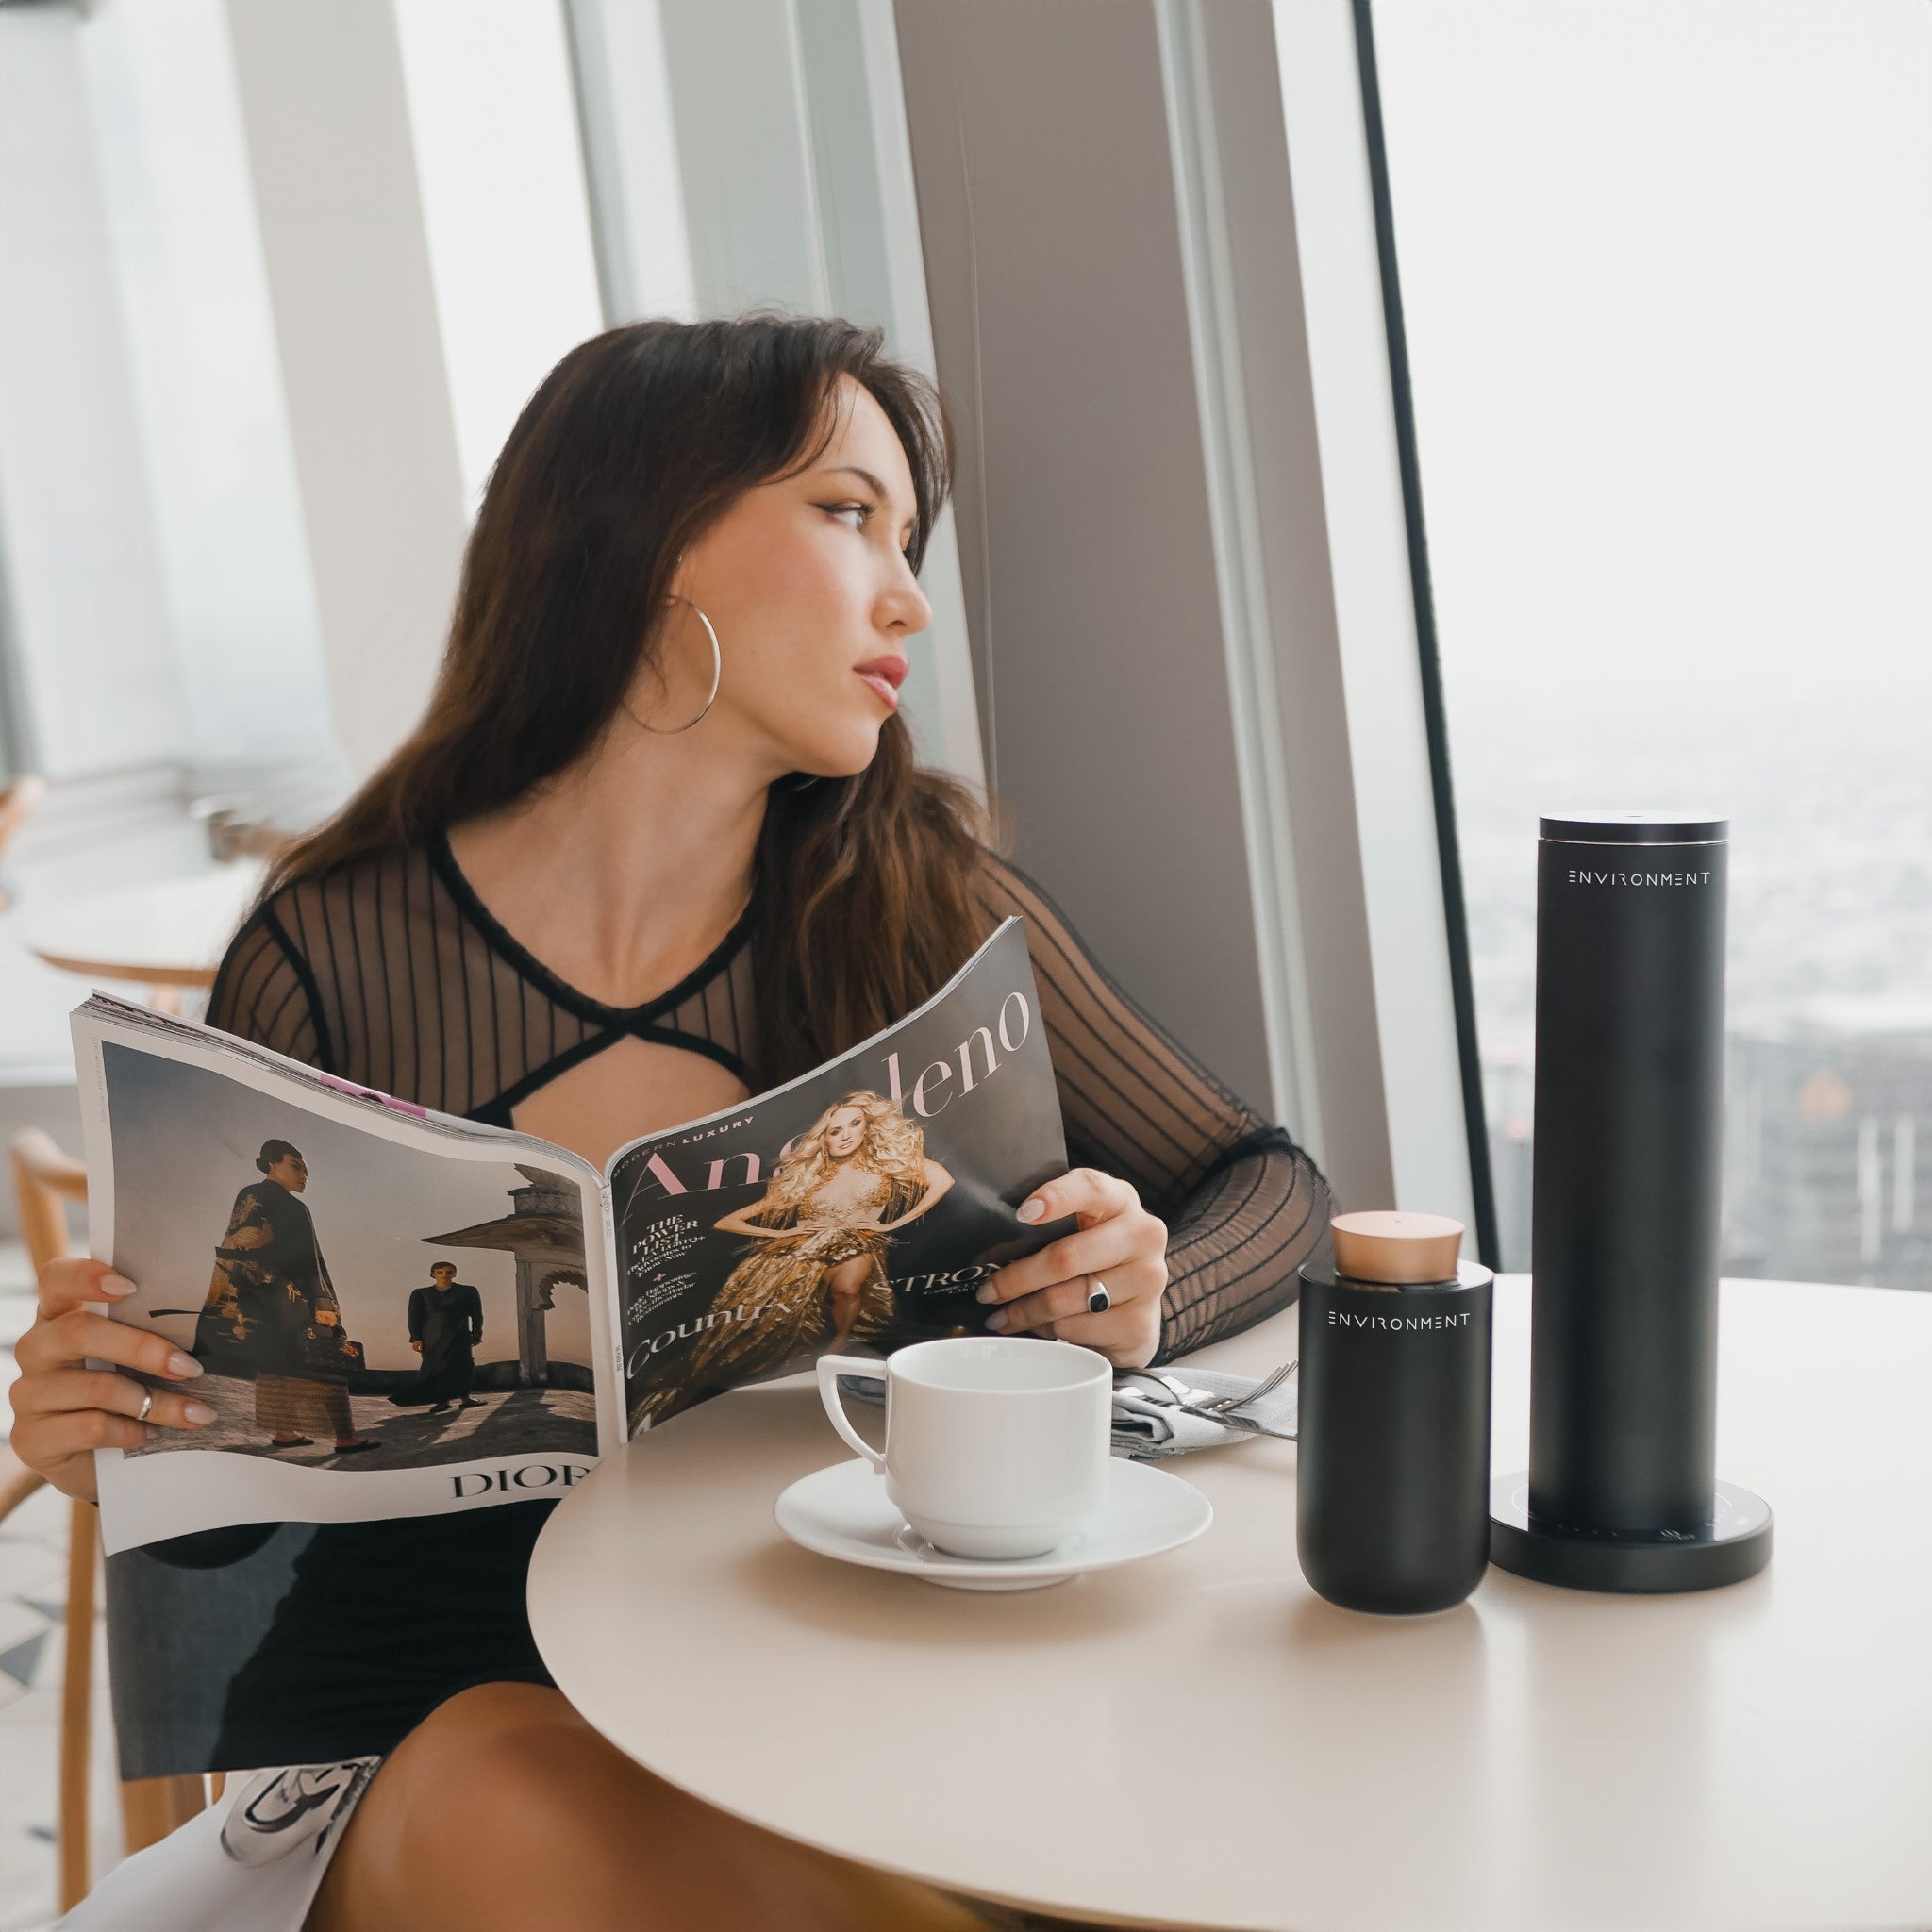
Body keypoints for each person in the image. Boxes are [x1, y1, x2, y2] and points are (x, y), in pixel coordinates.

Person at [8, 315, 1331, 1932]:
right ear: (647, 542)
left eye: (906, 541)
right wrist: (112, 1437)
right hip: (448, 1748)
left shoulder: (918, 901)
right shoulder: (335, 944)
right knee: (512, 1787)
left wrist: (1131, 1287)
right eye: (848, 516)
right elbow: (235, 1529)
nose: (906, 596)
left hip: (830, 1707)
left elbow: (1269, 1180)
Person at [641, 1091, 950, 1424]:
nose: (845, 1134)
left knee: (847, 1290)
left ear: (867, 1128)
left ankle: (839, 1346)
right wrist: (782, 1234)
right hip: (797, 1255)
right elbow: (726, 1221)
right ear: (825, 1140)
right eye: (835, 1131)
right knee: (758, 1331)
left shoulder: (885, 1166)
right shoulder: (808, 1180)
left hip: (858, 1242)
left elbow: (942, 1179)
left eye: (854, 1124)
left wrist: (893, 1223)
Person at [192, 1140, 374, 1457]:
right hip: (289, 1298)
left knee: (276, 1363)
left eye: (305, 1169)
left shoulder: (260, 1197)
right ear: (272, 1164)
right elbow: (300, 1258)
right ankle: (344, 1437)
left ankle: (286, 1434)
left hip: (258, 1297)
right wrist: (321, 1300)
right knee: (322, 1360)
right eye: (296, 1165)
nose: (304, 1174)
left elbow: (239, 1247)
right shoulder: (274, 1200)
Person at [391, 1262, 485, 1415]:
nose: (444, 1275)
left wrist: (476, 1334)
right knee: (435, 1368)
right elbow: (414, 1318)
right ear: (433, 1274)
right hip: (431, 1337)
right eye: (440, 1272)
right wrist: (416, 1338)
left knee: (464, 1366)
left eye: (449, 1272)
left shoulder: (468, 1291)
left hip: (459, 1335)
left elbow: (477, 1315)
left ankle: (466, 1398)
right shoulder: (420, 1294)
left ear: (454, 1274)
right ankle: (441, 1401)